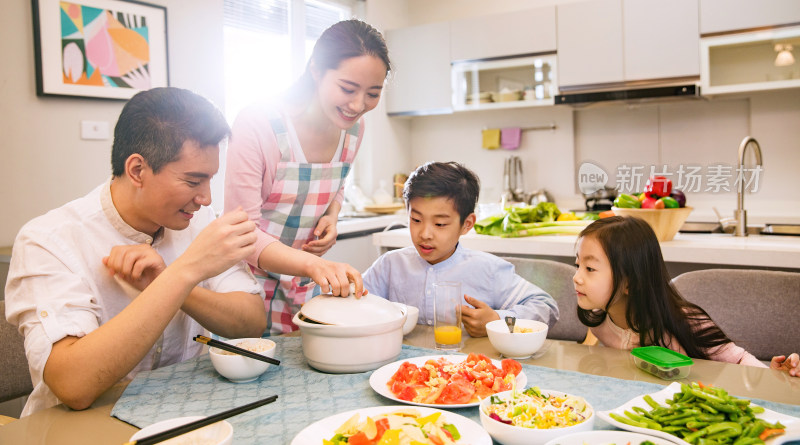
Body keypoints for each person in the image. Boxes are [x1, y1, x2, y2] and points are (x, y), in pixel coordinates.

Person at [5, 87, 267, 416]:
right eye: (193, 181)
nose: (206, 198)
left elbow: (251, 323)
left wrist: (169, 282)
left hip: (186, 415)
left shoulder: (198, 221)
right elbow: (74, 385)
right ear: (137, 171)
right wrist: (184, 273)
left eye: (210, 179)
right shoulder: (48, 240)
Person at [224, 19, 391, 336]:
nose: (358, 105)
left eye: (373, 93)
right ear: (316, 69)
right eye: (347, 89)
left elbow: (338, 182)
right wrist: (316, 265)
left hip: (301, 284)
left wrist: (333, 213)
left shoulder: (354, 128)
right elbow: (241, 234)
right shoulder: (259, 123)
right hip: (244, 284)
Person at [574, 216, 799, 376]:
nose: (576, 277)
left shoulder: (685, 320)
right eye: (577, 265)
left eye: (590, 269)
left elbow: (738, 359)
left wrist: (773, 377)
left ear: (631, 282)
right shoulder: (598, 321)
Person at [362, 161, 559, 337]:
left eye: (440, 224)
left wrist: (497, 321)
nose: (425, 234)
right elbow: (355, 303)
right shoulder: (390, 265)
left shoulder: (487, 270)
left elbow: (546, 307)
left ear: (467, 224)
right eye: (416, 220)